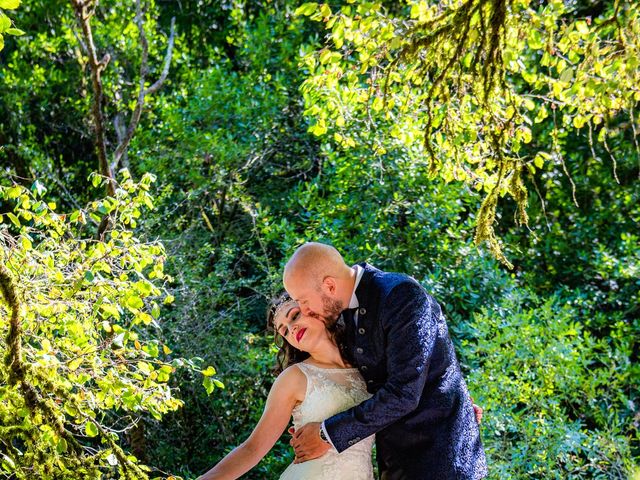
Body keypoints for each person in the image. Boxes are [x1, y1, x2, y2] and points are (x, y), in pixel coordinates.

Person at [283, 242, 487, 479]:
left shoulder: (401, 295)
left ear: (329, 285)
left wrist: (326, 435)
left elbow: (404, 392)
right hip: (395, 464)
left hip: (443, 462)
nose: (305, 311)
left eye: (304, 302)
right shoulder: (338, 316)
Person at [196, 293, 375, 480]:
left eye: (294, 316)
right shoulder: (294, 377)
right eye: (285, 331)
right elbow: (252, 449)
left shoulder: (368, 369)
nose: (292, 328)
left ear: (314, 308)